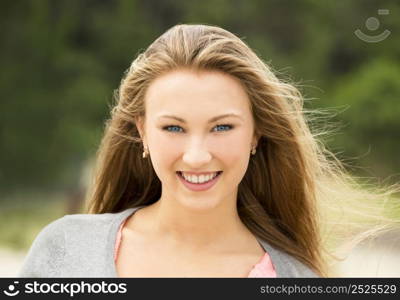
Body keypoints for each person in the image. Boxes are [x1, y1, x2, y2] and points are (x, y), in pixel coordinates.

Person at [18, 24, 398, 278]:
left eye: (222, 127)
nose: (197, 155)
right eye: (173, 128)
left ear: (256, 134)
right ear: (142, 133)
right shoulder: (65, 250)